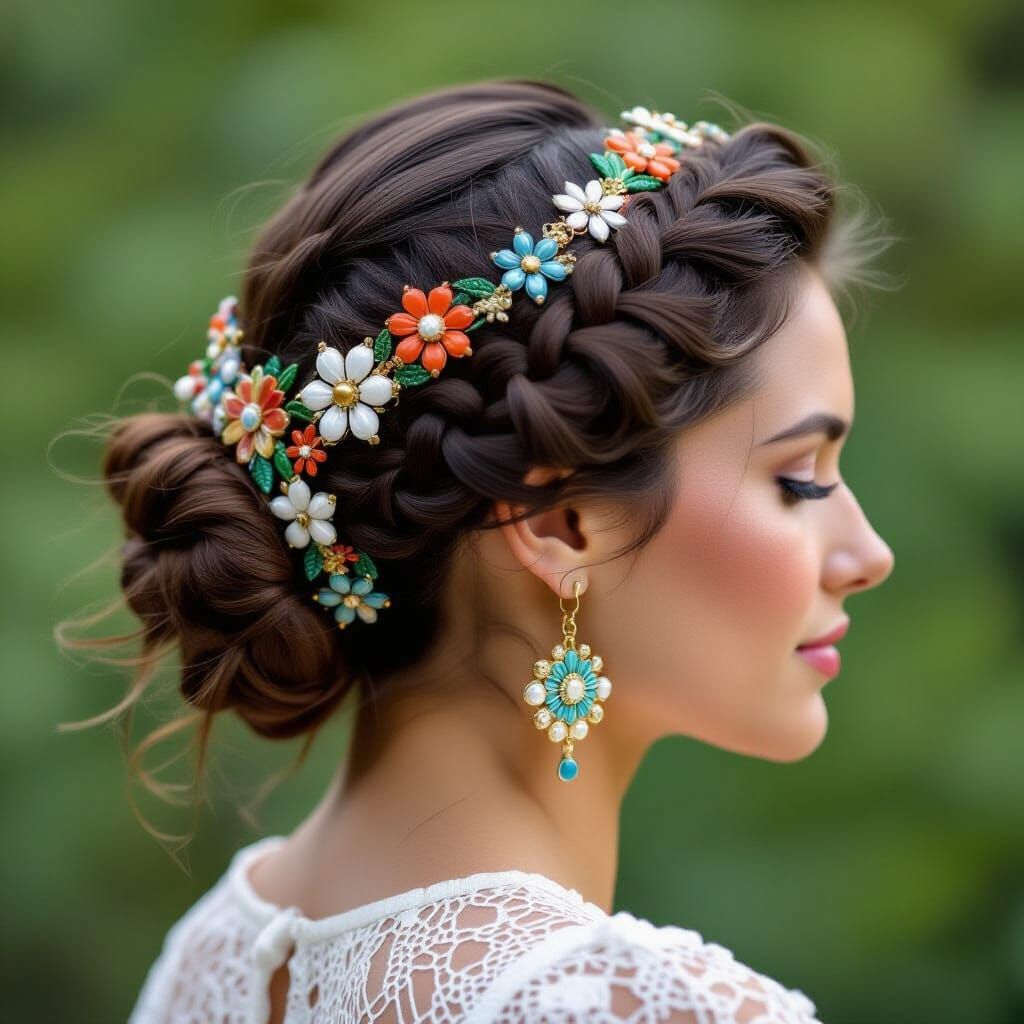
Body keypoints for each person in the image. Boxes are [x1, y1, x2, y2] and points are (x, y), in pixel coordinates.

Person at [74, 79, 896, 1022]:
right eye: (798, 479)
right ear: (557, 525)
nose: (867, 553)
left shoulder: (212, 962)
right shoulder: (634, 1005)